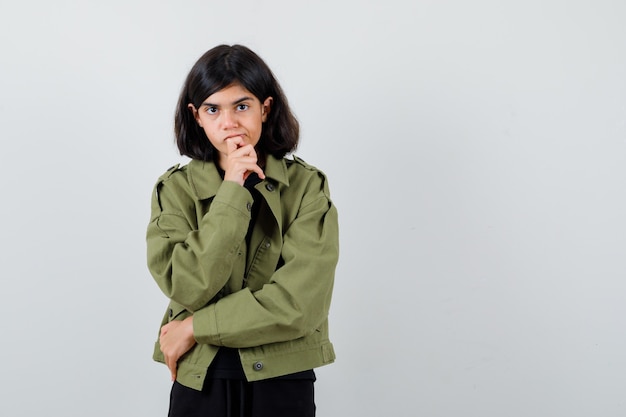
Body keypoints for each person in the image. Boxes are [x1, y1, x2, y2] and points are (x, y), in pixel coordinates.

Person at [146, 44, 339, 417]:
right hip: (201, 377)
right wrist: (232, 189)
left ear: (265, 109)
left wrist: (195, 326)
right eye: (213, 109)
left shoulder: (306, 187)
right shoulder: (175, 190)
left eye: (242, 105)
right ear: (196, 116)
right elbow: (186, 285)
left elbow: (299, 306)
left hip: (283, 377)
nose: (229, 122)